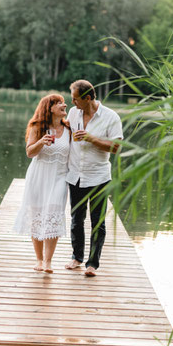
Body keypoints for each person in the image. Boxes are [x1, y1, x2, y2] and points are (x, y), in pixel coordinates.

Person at [65, 79, 123, 277]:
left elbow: (116, 147)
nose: (72, 103)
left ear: (87, 98)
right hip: (75, 175)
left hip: (98, 177)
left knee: (98, 222)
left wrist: (91, 138)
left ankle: (92, 264)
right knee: (76, 220)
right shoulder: (73, 114)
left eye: (75, 99)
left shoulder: (111, 117)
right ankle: (76, 257)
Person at [14, 94, 70, 273]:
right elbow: (30, 152)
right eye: (59, 103)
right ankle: (39, 260)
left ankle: (48, 261)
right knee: (36, 215)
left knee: (54, 213)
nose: (64, 104)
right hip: (39, 176)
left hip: (60, 177)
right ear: (50, 108)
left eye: (63, 102)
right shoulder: (38, 127)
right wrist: (41, 142)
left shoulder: (69, 128)